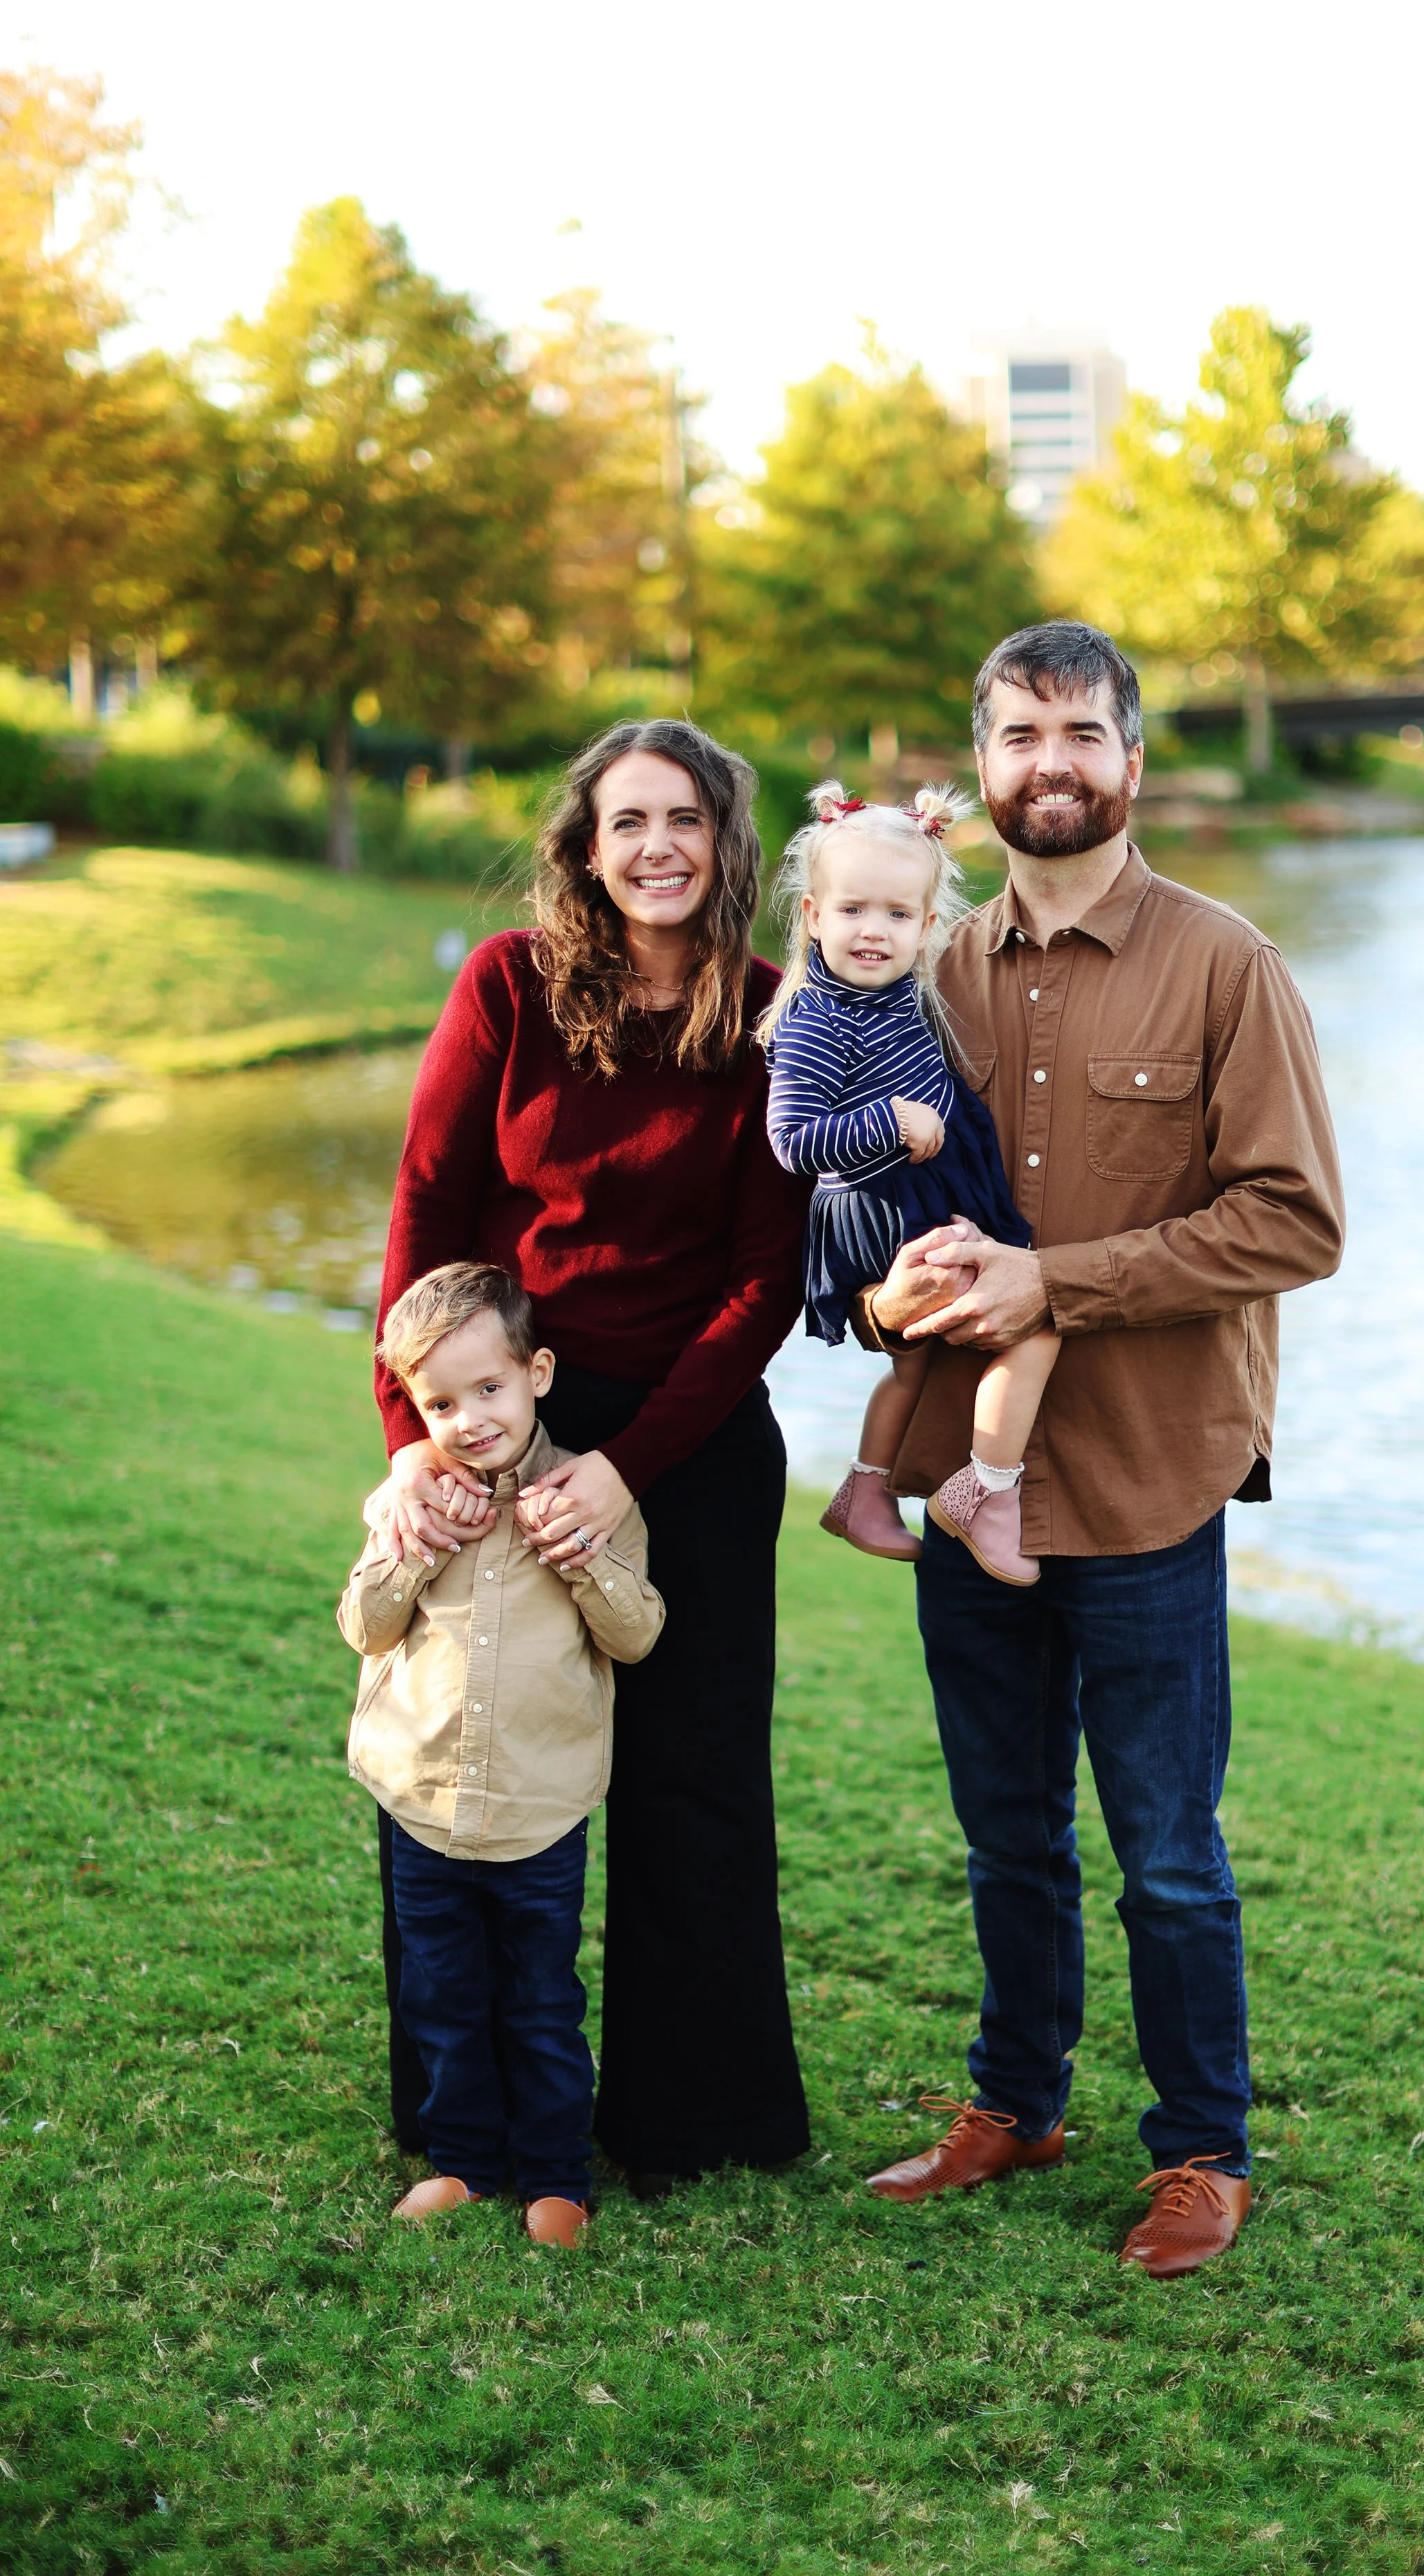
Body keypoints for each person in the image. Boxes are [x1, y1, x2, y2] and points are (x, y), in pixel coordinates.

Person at [854, 623, 1345, 2279]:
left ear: (1131, 761)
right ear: (978, 767)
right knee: (1005, 1830)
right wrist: (883, 1279)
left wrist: (1050, 1279)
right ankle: (1016, 2100)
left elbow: (1294, 1219)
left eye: (1080, 731)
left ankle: (1203, 2150)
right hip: (962, 1476)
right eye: (1016, 735)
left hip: (1144, 1477)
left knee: (1170, 1853)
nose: (1047, 762)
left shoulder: (1227, 966)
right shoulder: (920, 968)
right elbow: (866, 1199)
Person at [368, 719, 812, 2189]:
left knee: (691, 1789)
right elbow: (427, 1212)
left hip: (685, 1440)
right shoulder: (509, 985)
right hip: (501, 1431)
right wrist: (414, 1452)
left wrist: (623, 1470)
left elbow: (768, 1281)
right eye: (629, 821)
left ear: (723, 841)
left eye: (684, 820)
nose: (657, 848)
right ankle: (466, 2123)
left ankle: (693, 2127)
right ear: (585, 842)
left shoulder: (768, 1016)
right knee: (474, 1765)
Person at [341, 1262, 664, 2246]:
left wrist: (585, 1562)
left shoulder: (589, 1503)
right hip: (424, 1803)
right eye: (441, 1401)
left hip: (539, 1811)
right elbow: (363, 1623)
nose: (471, 1417)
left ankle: (556, 2175)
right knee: (441, 1998)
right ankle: (465, 2163)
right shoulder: (412, 1503)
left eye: (490, 1388)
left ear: (539, 1373)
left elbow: (639, 1634)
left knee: (539, 2001)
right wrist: (412, 1543)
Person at [761, 780, 1056, 1582]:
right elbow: (791, 1142)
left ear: (927, 928)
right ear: (812, 917)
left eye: (896, 915)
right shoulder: (817, 1018)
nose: (872, 931)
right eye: (852, 910)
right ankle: (987, 1492)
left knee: (915, 1366)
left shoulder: (894, 997)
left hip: (912, 1192)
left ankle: (863, 1490)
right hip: (882, 1204)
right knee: (1041, 1317)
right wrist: (893, 1120)